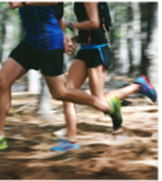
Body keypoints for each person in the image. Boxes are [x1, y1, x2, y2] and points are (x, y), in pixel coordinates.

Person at [0, 0, 123, 151]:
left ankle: (108, 107)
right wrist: (64, 36)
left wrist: (23, 2)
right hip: (30, 41)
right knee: (2, 80)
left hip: (48, 43)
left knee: (59, 93)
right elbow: (58, 11)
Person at [50, 0, 157, 151]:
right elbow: (90, 25)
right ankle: (71, 140)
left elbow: (95, 23)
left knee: (98, 100)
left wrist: (69, 25)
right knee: (66, 93)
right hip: (85, 49)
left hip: (97, 50)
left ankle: (138, 86)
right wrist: (79, 37)